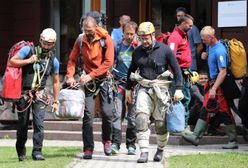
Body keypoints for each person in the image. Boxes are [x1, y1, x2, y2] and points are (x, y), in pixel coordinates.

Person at [126, 22, 184, 163]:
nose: (144, 41)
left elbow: (177, 70)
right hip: (143, 89)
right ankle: (144, 152)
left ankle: (160, 149)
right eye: (141, 38)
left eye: (146, 38)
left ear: (153, 35)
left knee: (160, 124)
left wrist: (179, 89)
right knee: (140, 119)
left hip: (161, 90)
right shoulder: (137, 52)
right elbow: (131, 71)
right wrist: (128, 88)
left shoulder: (165, 50)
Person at [66, 16, 115, 159]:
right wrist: (70, 75)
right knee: (88, 115)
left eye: (90, 31)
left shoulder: (106, 39)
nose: (88, 33)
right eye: (86, 30)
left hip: (104, 78)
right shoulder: (80, 40)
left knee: (107, 113)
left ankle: (107, 140)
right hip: (89, 82)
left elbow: (108, 63)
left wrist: (91, 75)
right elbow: (72, 59)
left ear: (96, 27)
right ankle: (88, 148)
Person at [182, 26, 238, 149]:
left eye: (204, 39)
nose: (202, 41)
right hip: (212, 83)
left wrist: (214, 89)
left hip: (219, 85)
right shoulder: (210, 47)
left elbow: (222, 72)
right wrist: (206, 56)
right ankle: (196, 136)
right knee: (206, 108)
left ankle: (233, 140)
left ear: (212, 37)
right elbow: (213, 60)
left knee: (224, 111)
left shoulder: (220, 51)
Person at [9, 28, 60, 161]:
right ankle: (21, 153)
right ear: (40, 40)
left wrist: (56, 101)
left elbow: (56, 82)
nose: (46, 46)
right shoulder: (28, 50)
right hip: (23, 95)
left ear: (53, 44)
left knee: (39, 124)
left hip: (40, 95)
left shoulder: (53, 60)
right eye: (44, 43)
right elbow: (12, 61)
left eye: (50, 44)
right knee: (23, 125)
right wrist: (28, 61)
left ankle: (37, 152)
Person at [111, 21, 138, 155]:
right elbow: (111, 62)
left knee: (132, 117)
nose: (129, 36)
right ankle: (115, 143)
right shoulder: (117, 46)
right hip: (119, 84)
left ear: (136, 34)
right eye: (127, 33)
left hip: (133, 86)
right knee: (116, 114)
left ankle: (131, 145)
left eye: (131, 34)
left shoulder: (138, 48)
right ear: (123, 33)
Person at [167, 14, 194, 131]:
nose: (191, 28)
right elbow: (171, 56)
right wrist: (173, 72)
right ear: (183, 24)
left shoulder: (184, 35)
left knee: (186, 98)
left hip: (185, 71)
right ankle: (179, 126)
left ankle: (182, 125)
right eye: (190, 25)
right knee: (180, 98)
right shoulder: (175, 37)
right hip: (179, 72)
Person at [175, 7, 203, 71]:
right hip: (179, 64)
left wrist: (193, 56)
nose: (180, 18)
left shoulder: (192, 28)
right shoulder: (176, 29)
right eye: (178, 16)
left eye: (182, 16)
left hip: (191, 64)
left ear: (186, 16)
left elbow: (200, 46)